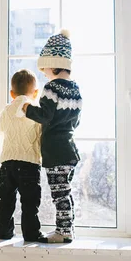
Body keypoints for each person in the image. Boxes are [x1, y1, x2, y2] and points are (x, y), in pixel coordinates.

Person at [21, 29, 82, 243]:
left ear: (53, 63)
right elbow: (76, 121)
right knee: (65, 192)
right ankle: (68, 229)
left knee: (59, 194)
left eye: (44, 67)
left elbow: (45, 116)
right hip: (70, 150)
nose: (44, 72)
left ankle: (63, 233)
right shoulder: (75, 89)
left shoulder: (51, 88)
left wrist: (27, 109)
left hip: (55, 152)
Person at [0, 69, 45, 242]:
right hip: (29, 163)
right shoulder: (35, 111)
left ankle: (4, 232)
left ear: (12, 93)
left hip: (7, 163)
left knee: (6, 200)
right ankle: (31, 234)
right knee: (30, 201)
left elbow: (1, 127)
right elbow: (40, 133)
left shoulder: (6, 110)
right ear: (36, 92)